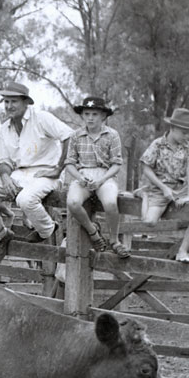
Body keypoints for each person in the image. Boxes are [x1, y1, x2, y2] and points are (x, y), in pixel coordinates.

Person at [0, 81, 74, 264]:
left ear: (26, 102)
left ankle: (47, 229)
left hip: (45, 174)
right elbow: (3, 160)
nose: (9, 106)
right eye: (6, 102)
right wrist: (4, 177)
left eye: (14, 101)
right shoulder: (5, 128)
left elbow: (69, 136)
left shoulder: (42, 118)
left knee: (25, 200)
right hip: (18, 174)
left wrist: (59, 168)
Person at [64, 96, 130, 258]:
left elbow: (116, 163)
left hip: (104, 175)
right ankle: (93, 232)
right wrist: (79, 177)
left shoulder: (112, 135)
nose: (90, 118)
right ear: (82, 116)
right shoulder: (76, 136)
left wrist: (102, 179)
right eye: (87, 114)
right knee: (73, 202)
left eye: (94, 114)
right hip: (83, 174)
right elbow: (70, 162)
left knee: (110, 203)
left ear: (103, 116)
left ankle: (114, 240)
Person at [137, 107, 189, 262]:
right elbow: (145, 167)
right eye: (183, 132)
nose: (187, 136)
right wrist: (163, 188)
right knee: (149, 222)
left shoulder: (188, 147)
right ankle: (143, 194)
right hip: (160, 189)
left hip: (179, 188)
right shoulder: (157, 144)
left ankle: (183, 251)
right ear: (172, 128)